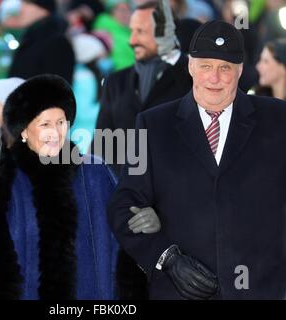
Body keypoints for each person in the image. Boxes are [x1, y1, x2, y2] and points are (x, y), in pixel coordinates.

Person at [108, 20, 286, 299]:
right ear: (190, 66)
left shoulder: (278, 120)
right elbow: (125, 204)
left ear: (240, 71)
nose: (214, 78)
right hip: (179, 293)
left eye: (225, 68)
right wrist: (167, 258)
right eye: (205, 66)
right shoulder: (152, 125)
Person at [0, 74, 125, 299]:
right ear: (25, 132)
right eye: (45, 124)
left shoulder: (93, 172)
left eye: (60, 122)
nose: (54, 133)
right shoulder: (6, 176)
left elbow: (120, 234)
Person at [95, 0, 193, 177]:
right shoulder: (116, 82)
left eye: (140, 32)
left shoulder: (194, 79)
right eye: (132, 31)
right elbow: (102, 147)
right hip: (122, 193)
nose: (132, 40)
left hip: (176, 195)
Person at [8, 0, 75, 84]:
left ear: (43, 9)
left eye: (27, 3)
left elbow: (57, 91)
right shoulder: (31, 37)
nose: (21, 9)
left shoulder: (56, 43)